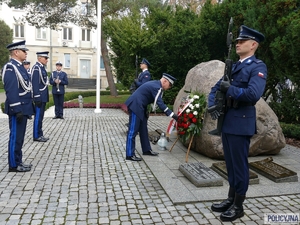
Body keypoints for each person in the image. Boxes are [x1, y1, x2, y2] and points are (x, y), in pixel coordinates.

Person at [208, 25, 267, 222]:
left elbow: (253, 94)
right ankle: (230, 199)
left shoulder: (258, 67)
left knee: (239, 166)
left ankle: (238, 206)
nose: (238, 44)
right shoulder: (233, 66)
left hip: (241, 122)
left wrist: (230, 89)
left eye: (242, 41)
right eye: (237, 41)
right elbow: (217, 87)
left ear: (253, 44)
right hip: (227, 121)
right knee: (231, 165)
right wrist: (212, 103)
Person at [125, 73, 179, 161]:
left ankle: (146, 150)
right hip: (136, 106)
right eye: (170, 85)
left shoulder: (156, 85)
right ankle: (129, 154)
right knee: (133, 130)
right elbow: (160, 104)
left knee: (143, 129)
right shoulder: (157, 87)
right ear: (165, 81)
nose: (169, 88)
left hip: (141, 107)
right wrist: (173, 115)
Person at [1, 40, 34, 172]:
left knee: (20, 137)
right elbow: (11, 90)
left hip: (23, 107)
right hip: (17, 109)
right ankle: (13, 165)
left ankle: (19, 160)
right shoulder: (10, 67)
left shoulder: (19, 67)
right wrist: (17, 109)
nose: (26, 53)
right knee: (15, 136)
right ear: (16, 52)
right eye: (23, 51)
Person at [31, 51, 50, 142]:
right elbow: (35, 84)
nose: (47, 60)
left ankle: (40, 133)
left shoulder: (41, 68)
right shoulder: (36, 68)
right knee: (38, 117)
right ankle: (36, 135)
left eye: (47, 58)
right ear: (39, 58)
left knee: (41, 117)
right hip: (39, 97)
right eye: (45, 58)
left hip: (43, 96)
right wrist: (37, 97)